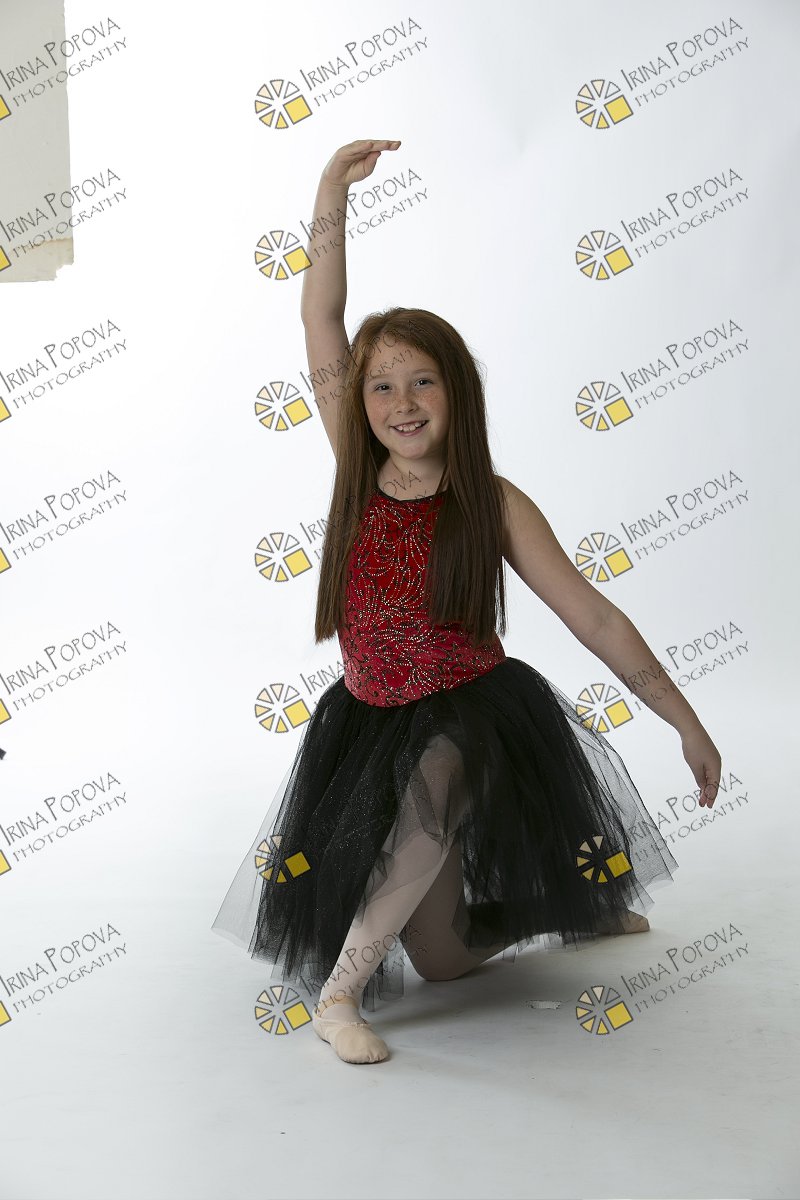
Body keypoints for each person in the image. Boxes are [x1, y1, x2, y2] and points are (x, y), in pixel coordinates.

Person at [212, 140, 722, 1066]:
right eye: (381, 385)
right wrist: (330, 194)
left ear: (457, 393)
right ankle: (568, 908)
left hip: (471, 715)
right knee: (444, 960)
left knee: (437, 777)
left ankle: (338, 997)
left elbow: (595, 618)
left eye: (423, 381)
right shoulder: (356, 470)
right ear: (359, 400)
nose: (401, 402)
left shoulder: (493, 503)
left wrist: (684, 721)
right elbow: (320, 313)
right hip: (371, 719)